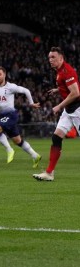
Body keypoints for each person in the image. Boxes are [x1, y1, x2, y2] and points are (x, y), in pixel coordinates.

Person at [33, 47, 80, 181]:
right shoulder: (59, 72)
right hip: (69, 110)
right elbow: (68, 88)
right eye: (49, 57)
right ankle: (49, 173)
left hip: (77, 109)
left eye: (53, 57)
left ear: (61, 58)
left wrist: (58, 106)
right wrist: (57, 90)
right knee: (56, 137)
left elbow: (76, 93)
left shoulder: (66, 71)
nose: (50, 60)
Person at [0, 66, 41, 167]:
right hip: (3, 115)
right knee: (17, 141)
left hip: (11, 115)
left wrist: (31, 103)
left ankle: (9, 150)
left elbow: (26, 91)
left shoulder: (11, 87)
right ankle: (35, 155)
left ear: (4, 75)